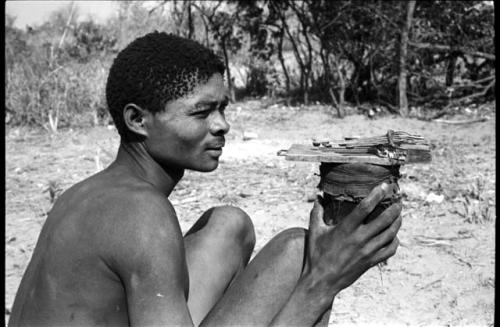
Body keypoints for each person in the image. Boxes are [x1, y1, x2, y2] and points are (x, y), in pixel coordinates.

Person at [9, 32, 401, 327]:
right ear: (137, 120)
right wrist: (323, 284)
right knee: (313, 271)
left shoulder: (93, 192)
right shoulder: (142, 214)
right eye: (201, 113)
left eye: (222, 108)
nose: (222, 125)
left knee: (239, 228)